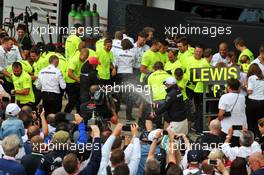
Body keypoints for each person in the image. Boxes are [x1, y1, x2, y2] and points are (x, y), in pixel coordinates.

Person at [217, 78, 247, 147]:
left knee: (226, 151)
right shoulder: (242, 97)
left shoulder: (224, 97)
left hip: (228, 129)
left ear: (228, 87)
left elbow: (220, 115)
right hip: (241, 128)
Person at [114, 39, 136, 121]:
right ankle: (129, 116)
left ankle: (115, 113)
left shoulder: (118, 53)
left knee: (118, 95)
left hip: (120, 74)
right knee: (129, 96)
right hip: (129, 74)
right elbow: (133, 64)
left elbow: (115, 64)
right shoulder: (133, 54)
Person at [64, 48, 89, 113]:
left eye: (86, 58)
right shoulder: (74, 60)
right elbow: (69, 73)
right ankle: (65, 117)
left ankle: (79, 117)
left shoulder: (83, 59)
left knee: (79, 101)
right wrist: (78, 80)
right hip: (71, 83)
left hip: (77, 82)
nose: (85, 59)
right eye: (84, 57)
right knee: (72, 102)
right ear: (81, 54)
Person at [147, 62, 171, 128]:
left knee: (157, 116)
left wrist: (151, 101)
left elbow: (150, 90)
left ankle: (157, 130)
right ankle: (165, 134)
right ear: (163, 67)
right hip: (167, 98)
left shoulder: (151, 76)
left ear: (154, 68)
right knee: (167, 118)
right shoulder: (168, 75)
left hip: (156, 99)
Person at [246, 63, 264, 136]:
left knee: (251, 121)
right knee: (260, 121)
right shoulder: (263, 78)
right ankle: (259, 136)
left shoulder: (251, 78)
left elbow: (250, 91)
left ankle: (252, 137)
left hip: (252, 102)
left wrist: (245, 86)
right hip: (262, 102)